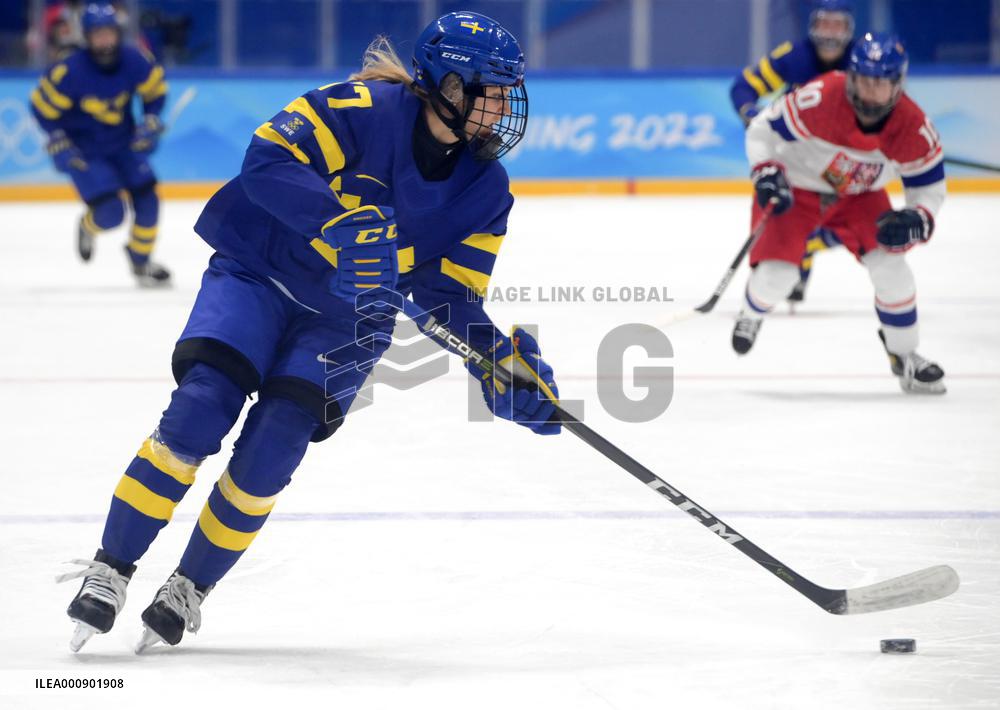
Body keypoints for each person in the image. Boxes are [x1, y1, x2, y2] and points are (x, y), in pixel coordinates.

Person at [56, 11, 561, 654]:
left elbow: (448, 296)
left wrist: (495, 362)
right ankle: (111, 568)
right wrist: (335, 223)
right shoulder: (362, 110)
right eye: (494, 93)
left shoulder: (486, 190)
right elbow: (267, 159)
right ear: (450, 86)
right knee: (201, 407)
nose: (505, 110)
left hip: (350, 318)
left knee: (276, 444)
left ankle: (189, 586)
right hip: (259, 273)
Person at [731, 32, 946, 395]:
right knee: (777, 278)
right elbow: (761, 129)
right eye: (864, 80)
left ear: (898, 84)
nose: (870, 92)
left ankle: (905, 355)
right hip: (798, 187)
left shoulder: (913, 126)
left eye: (880, 83)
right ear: (851, 76)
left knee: (892, 269)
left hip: (859, 196)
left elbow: (929, 187)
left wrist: (918, 217)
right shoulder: (820, 97)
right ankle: (751, 313)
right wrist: (766, 171)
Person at [30, 1, 171, 287]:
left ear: (118, 33)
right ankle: (87, 226)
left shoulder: (135, 60)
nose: (105, 40)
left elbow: (155, 92)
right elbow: (42, 109)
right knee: (111, 213)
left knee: (148, 198)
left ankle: (141, 262)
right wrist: (57, 137)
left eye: (109, 33)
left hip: (124, 145)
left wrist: (150, 119)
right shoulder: (69, 72)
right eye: (98, 35)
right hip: (85, 152)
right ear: (87, 37)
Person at [730, 0, 856, 304]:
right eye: (824, 24)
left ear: (848, 29)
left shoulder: (861, 62)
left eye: (837, 25)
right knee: (777, 207)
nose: (830, 33)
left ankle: (804, 247)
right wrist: (753, 115)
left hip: (839, 157)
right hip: (793, 153)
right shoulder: (795, 56)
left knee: (856, 219)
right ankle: (776, 265)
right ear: (813, 26)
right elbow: (743, 87)